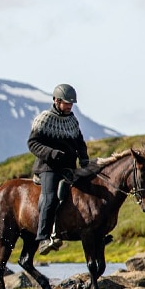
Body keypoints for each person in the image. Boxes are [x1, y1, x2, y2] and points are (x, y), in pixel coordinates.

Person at [28, 83, 90, 255]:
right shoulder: (44, 119)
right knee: (50, 198)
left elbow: (80, 142)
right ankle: (43, 239)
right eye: (66, 103)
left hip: (69, 168)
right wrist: (51, 153)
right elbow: (32, 143)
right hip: (48, 168)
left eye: (71, 104)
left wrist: (84, 157)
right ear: (56, 100)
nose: (69, 106)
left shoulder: (72, 121)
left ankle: (94, 232)